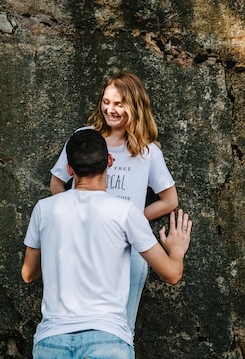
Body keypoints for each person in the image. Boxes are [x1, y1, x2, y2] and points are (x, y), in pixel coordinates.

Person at [22, 129, 192, 359]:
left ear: (70, 169)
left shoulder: (44, 209)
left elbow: (28, 274)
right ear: (109, 161)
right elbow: (172, 274)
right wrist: (177, 250)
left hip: (52, 341)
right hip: (107, 339)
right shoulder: (124, 212)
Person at [49, 72, 178, 334]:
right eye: (106, 102)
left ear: (135, 106)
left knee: (121, 328)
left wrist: (129, 220)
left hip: (128, 252)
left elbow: (169, 200)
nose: (110, 109)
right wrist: (74, 215)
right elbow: (56, 182)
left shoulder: (147, 152)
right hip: (81, 245)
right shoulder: (85, 138)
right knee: (73, 325)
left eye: (119, 104)